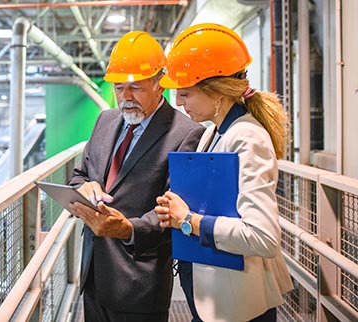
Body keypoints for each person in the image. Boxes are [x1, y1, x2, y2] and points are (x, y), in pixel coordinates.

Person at [154, 23, 294, 322]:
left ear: (216, 92)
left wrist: (188, 220)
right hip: (213, 298)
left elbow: (262, 237)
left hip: (237, 308)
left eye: (186, 93)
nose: (178, 101)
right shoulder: (213, 133)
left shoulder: (247, 137)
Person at [68, 30, 205, 322]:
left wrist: (128, 229)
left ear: (160, 85)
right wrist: (85, 188)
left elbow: (177, 212)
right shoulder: (106, 120)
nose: (125, 97)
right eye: (119, 88)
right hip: (94, 274)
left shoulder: (186, 134)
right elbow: (79, 175)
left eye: (136, 88)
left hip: (138, 284)